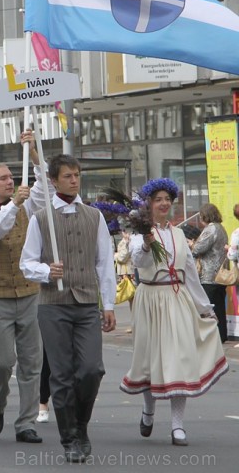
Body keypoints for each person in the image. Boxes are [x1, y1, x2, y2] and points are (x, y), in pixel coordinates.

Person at [20, 153, 116, 463]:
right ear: (54, 180)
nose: (74, 180)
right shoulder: (40, 217)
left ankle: (82, 424)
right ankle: (69, 438)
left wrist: (109, 304)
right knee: (60, 375)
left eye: (77, 175)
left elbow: (104, 263)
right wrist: (47, 271)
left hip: (87, 302)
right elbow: (27, 263)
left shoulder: (94, 216)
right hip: (53, 305)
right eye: (67, 176)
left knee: (91, 370)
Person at [120, 178, 229, 447]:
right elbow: (139, 261)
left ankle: (177, 426)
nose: (164, 204)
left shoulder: (180, 234)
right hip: (150, 299)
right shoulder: (139, 235)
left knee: (178, 359)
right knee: (148, 360)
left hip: (177, 298)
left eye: (167, 199)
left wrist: (205, 308)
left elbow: (189, 274)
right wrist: (146, 243)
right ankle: (148, 410)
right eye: (158, 200)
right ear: (149, 204)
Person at [0, 129, 48, 445]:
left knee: (32, 363)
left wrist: (34, 151)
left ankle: (26, 422)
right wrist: (14, 204)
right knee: (1, 363)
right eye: (2, 178)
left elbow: (46, 187)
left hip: (29, 294)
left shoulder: (27, 205)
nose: (10, 180)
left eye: (11, 176)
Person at [190, 203, 228, 343]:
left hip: (208, 274)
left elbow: (198, 249)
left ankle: (212, 337)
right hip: (220, 275)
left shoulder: (210, 229)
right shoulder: (221, 228)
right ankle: (222, 335)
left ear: (205, 215)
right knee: (219, 307)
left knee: (209, 308)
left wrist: (191, 244)